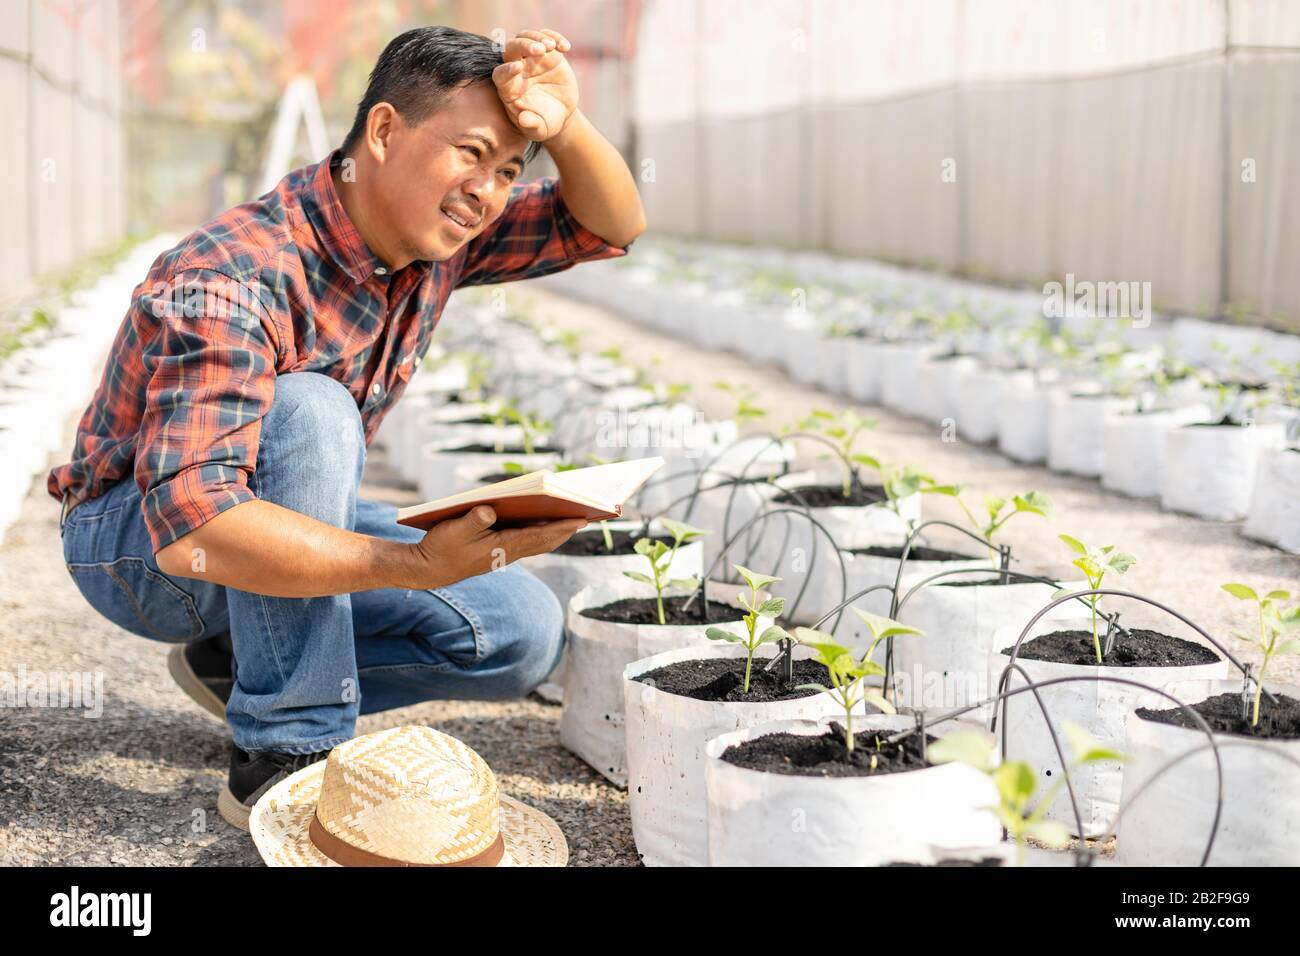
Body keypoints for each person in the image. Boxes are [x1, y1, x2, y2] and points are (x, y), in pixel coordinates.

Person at [47, 25, 645, 830]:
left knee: (520, 633)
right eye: (470, 152)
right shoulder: (234, 273)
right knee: (312, 409)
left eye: (507, 170)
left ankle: (241, 666)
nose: (486, 189)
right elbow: (198, 520)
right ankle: (285, 753)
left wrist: (566, 126)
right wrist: (408, 564)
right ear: (386, 130)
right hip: (142, 549)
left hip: (251, 520)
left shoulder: (439, 237)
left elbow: (609, 224)